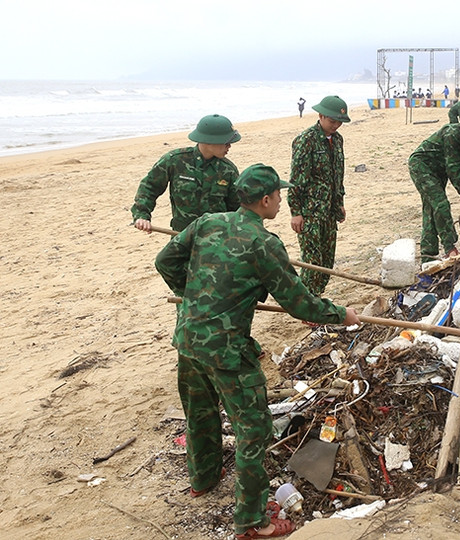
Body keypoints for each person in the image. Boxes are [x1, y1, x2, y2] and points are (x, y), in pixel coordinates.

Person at [155, 164, 360, 540]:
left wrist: (193, 296)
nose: (281, 199)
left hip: (188, 338)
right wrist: (341, 315)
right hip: (227, 350)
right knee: (255, 430)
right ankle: (253, 522)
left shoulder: (207, 222)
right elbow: (300, 304)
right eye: (279, 195)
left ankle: (202, 479)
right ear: (265, 200)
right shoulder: (264, 244)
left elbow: (164, 261)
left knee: (200, 413)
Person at [131, 114, 241, 233]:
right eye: (226, 142)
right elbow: (150, 187)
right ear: (209, 141)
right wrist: (142, 215)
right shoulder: (175, 161)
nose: (229, 146)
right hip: (182, 236)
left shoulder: (228, 170)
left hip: (216, 239)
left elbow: (237, 208)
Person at [408, 110, 460, 264]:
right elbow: (453, 168)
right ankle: (450, 248)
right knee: (441, 205)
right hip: (422, 166)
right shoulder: (453, 133)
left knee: (432, 210)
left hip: (439, 170)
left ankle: (428, 258)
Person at [288, 95, 350, 296]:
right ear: (321, 116)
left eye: (339, 122)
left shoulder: (338, 140)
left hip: (329, 211)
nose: (336, 125)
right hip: (310, 212)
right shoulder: (306, 141)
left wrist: (339, 202)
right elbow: (296, 179)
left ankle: (315, 298)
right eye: (332, 121)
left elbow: (337, 174)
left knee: (326, 261)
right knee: (312, 263)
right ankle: (307, 303)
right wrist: (296, 212)